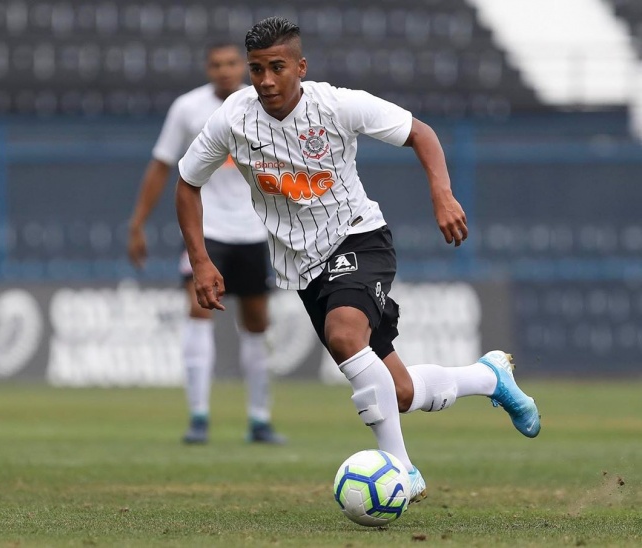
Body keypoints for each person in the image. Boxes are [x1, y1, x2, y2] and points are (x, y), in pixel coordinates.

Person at [175, 17, 540, 501]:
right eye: (257, 69)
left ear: (300, 67)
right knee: (401, 392)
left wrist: (442, 195)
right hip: (303, 267)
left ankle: (403, 472)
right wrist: (200, 260)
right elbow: (187, 182)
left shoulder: (339, 105)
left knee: (345, 336)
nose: (265, 80)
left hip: (359, 238)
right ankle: (488, 377)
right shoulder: (233, 119)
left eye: (277, 68)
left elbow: (421, 133)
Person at [128, 42, 285, 445]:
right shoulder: (187, 108)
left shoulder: (261, 103)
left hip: (253, 230)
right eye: (217, 64)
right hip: (207, 230)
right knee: (198, 315)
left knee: (256, 324)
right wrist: (138, 223)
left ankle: (259, 419)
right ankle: (199, 417)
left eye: (232, 63)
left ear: (243, 66)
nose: (225, 70)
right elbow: (162, 165)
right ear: (207, 68)